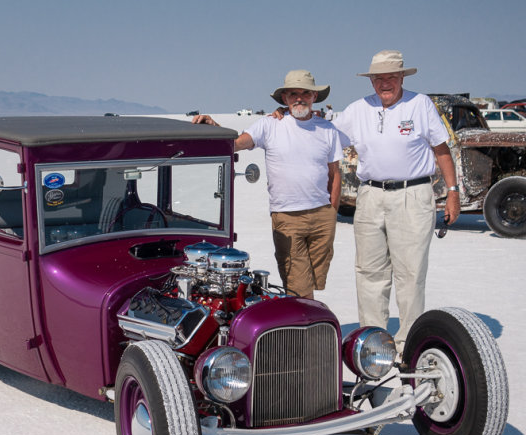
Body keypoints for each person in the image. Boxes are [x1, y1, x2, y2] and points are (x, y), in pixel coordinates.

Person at [331, 50, 461, 351]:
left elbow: (442, 150)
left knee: (410, 273)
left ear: (402, 77)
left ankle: (408, 345)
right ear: (371, 81)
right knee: (369, 272)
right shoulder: (358, 109)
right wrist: (288, 120)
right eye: (378, 78)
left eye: (391, 77)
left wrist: (453, 193)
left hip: (412, 195)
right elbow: (327, 137)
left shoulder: (420, 104)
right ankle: (373, 345)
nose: (384, 83)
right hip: (370, 195)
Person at [193, 70, 342, 300]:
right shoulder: (270, 125)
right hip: (288, 218)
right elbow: (236, 144)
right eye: (293, 93)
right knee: (298, 286)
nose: (299, 98)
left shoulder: (327, 129)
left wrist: (332, 211)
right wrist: (214, 127)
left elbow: (335, 173)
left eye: (305, 93)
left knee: (314, 281)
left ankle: (306, 324)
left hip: (323, 217)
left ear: (314, 96)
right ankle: (305, 330)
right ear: (285, 98)